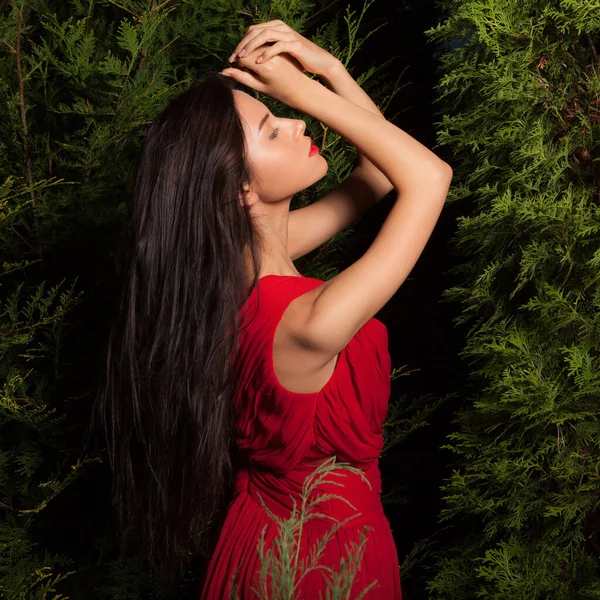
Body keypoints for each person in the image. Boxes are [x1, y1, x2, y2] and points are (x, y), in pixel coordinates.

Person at [91, 19, 452, 599]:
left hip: (264, 537)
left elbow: (377, 174)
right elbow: (428, 176)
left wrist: (328, 69)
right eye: (271, 127)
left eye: (281, 113)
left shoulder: (224, 276)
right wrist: (303, 88)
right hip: (319, 557)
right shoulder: (306, 325)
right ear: (240, 190)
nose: (297, 121)